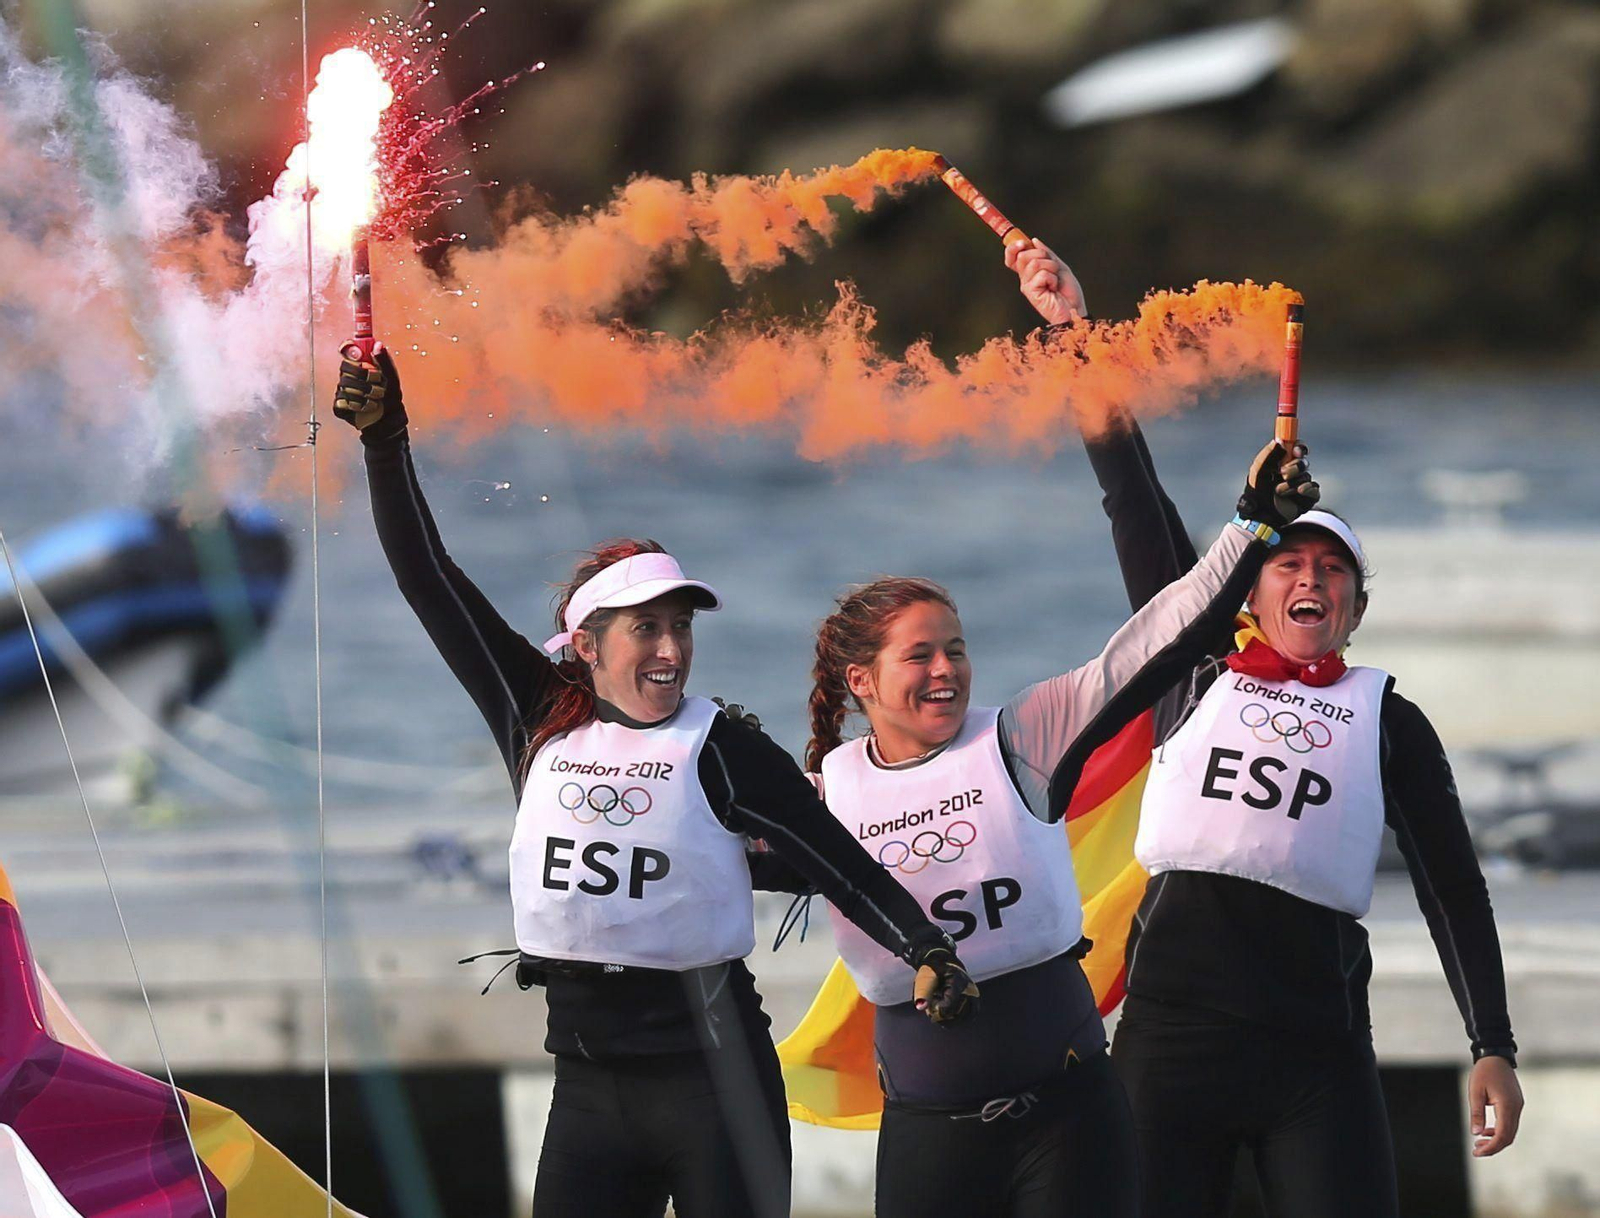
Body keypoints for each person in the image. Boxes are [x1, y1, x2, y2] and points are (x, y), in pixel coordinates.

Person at [331, 351, 978, 1218]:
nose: (671, 650)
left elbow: (838, 865)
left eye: (680, 628)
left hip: (715, 1091)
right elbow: (429, 579)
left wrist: (928, 950)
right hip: (588, 1093)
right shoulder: (535, 715)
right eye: (647, 630)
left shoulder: (722, 748)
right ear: (588, 646)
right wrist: (385, 442)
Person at [797, 238, 1323, 1218]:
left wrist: (1253, 523)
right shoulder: (827, 799)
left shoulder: (1027, 737)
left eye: (956, 648)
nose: (948, 669)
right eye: (922, 656)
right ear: (859, 680)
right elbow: (680, 855)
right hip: (954, 1127)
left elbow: (1167, 618)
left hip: (1118, 1101)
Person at [1006, 236, 1526, 1217]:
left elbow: (1453, 888)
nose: (1310, 579)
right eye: (1289, 562)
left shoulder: (1387, 721)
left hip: (1315, 1058)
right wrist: (1074, 337)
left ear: (1355, 609)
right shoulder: (1188, 669)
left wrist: (1489, 1043)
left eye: (1333, 571)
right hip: (1171, 1047)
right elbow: (1133, 499)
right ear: (1251, 585)